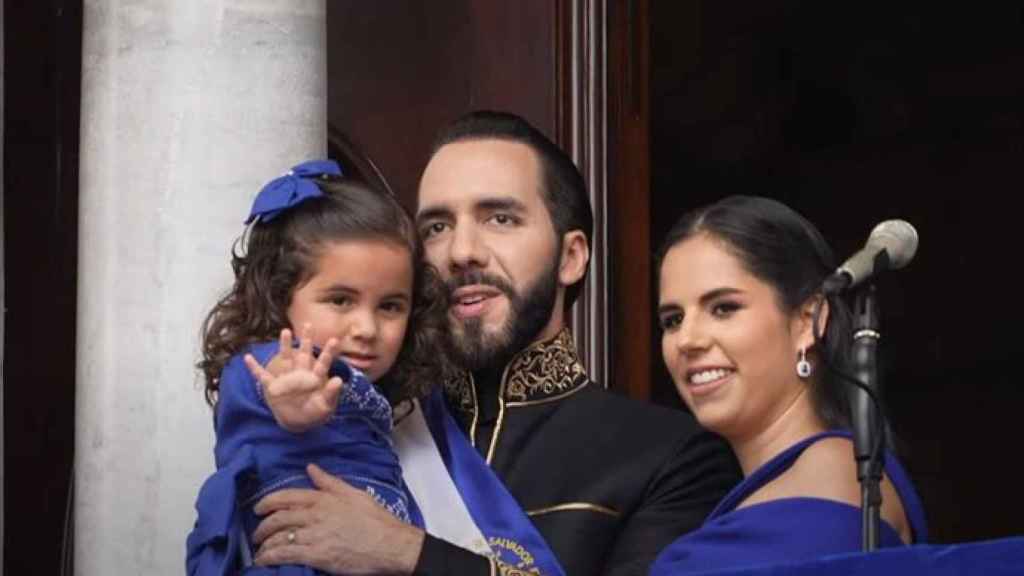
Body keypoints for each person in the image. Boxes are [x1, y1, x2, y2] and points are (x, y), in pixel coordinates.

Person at [249, 111, 742, 576]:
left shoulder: (674, 458)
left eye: (500, 219)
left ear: (571, 257)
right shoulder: (356, 424)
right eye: (437, 227)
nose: (462, 252)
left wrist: (406, 552)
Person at [185, 160, 449, 575]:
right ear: (279, 296)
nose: (366, 329)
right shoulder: (272, 364)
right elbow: (275, 380)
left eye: (390, 306)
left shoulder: (393, 398)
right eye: (340, 300)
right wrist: (291, 402)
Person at [649, 195, 928, 575]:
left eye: (723, 308)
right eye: (672, 320)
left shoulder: (836, 477)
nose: (687, 340)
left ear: (807, 321)